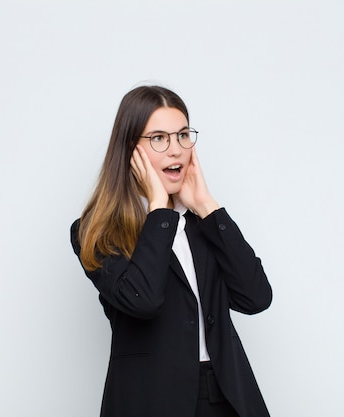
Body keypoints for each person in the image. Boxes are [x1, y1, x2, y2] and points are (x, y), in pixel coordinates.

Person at [70, 85, 272, 417]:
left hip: (224, 396)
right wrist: (160, 213)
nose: (175, 150)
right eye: (159, 138)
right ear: (130, 150)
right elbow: (143, 300)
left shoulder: (203, 223)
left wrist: (208, 207)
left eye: (182, 135)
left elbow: (256, 298)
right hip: (150, 399)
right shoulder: (97, 231)